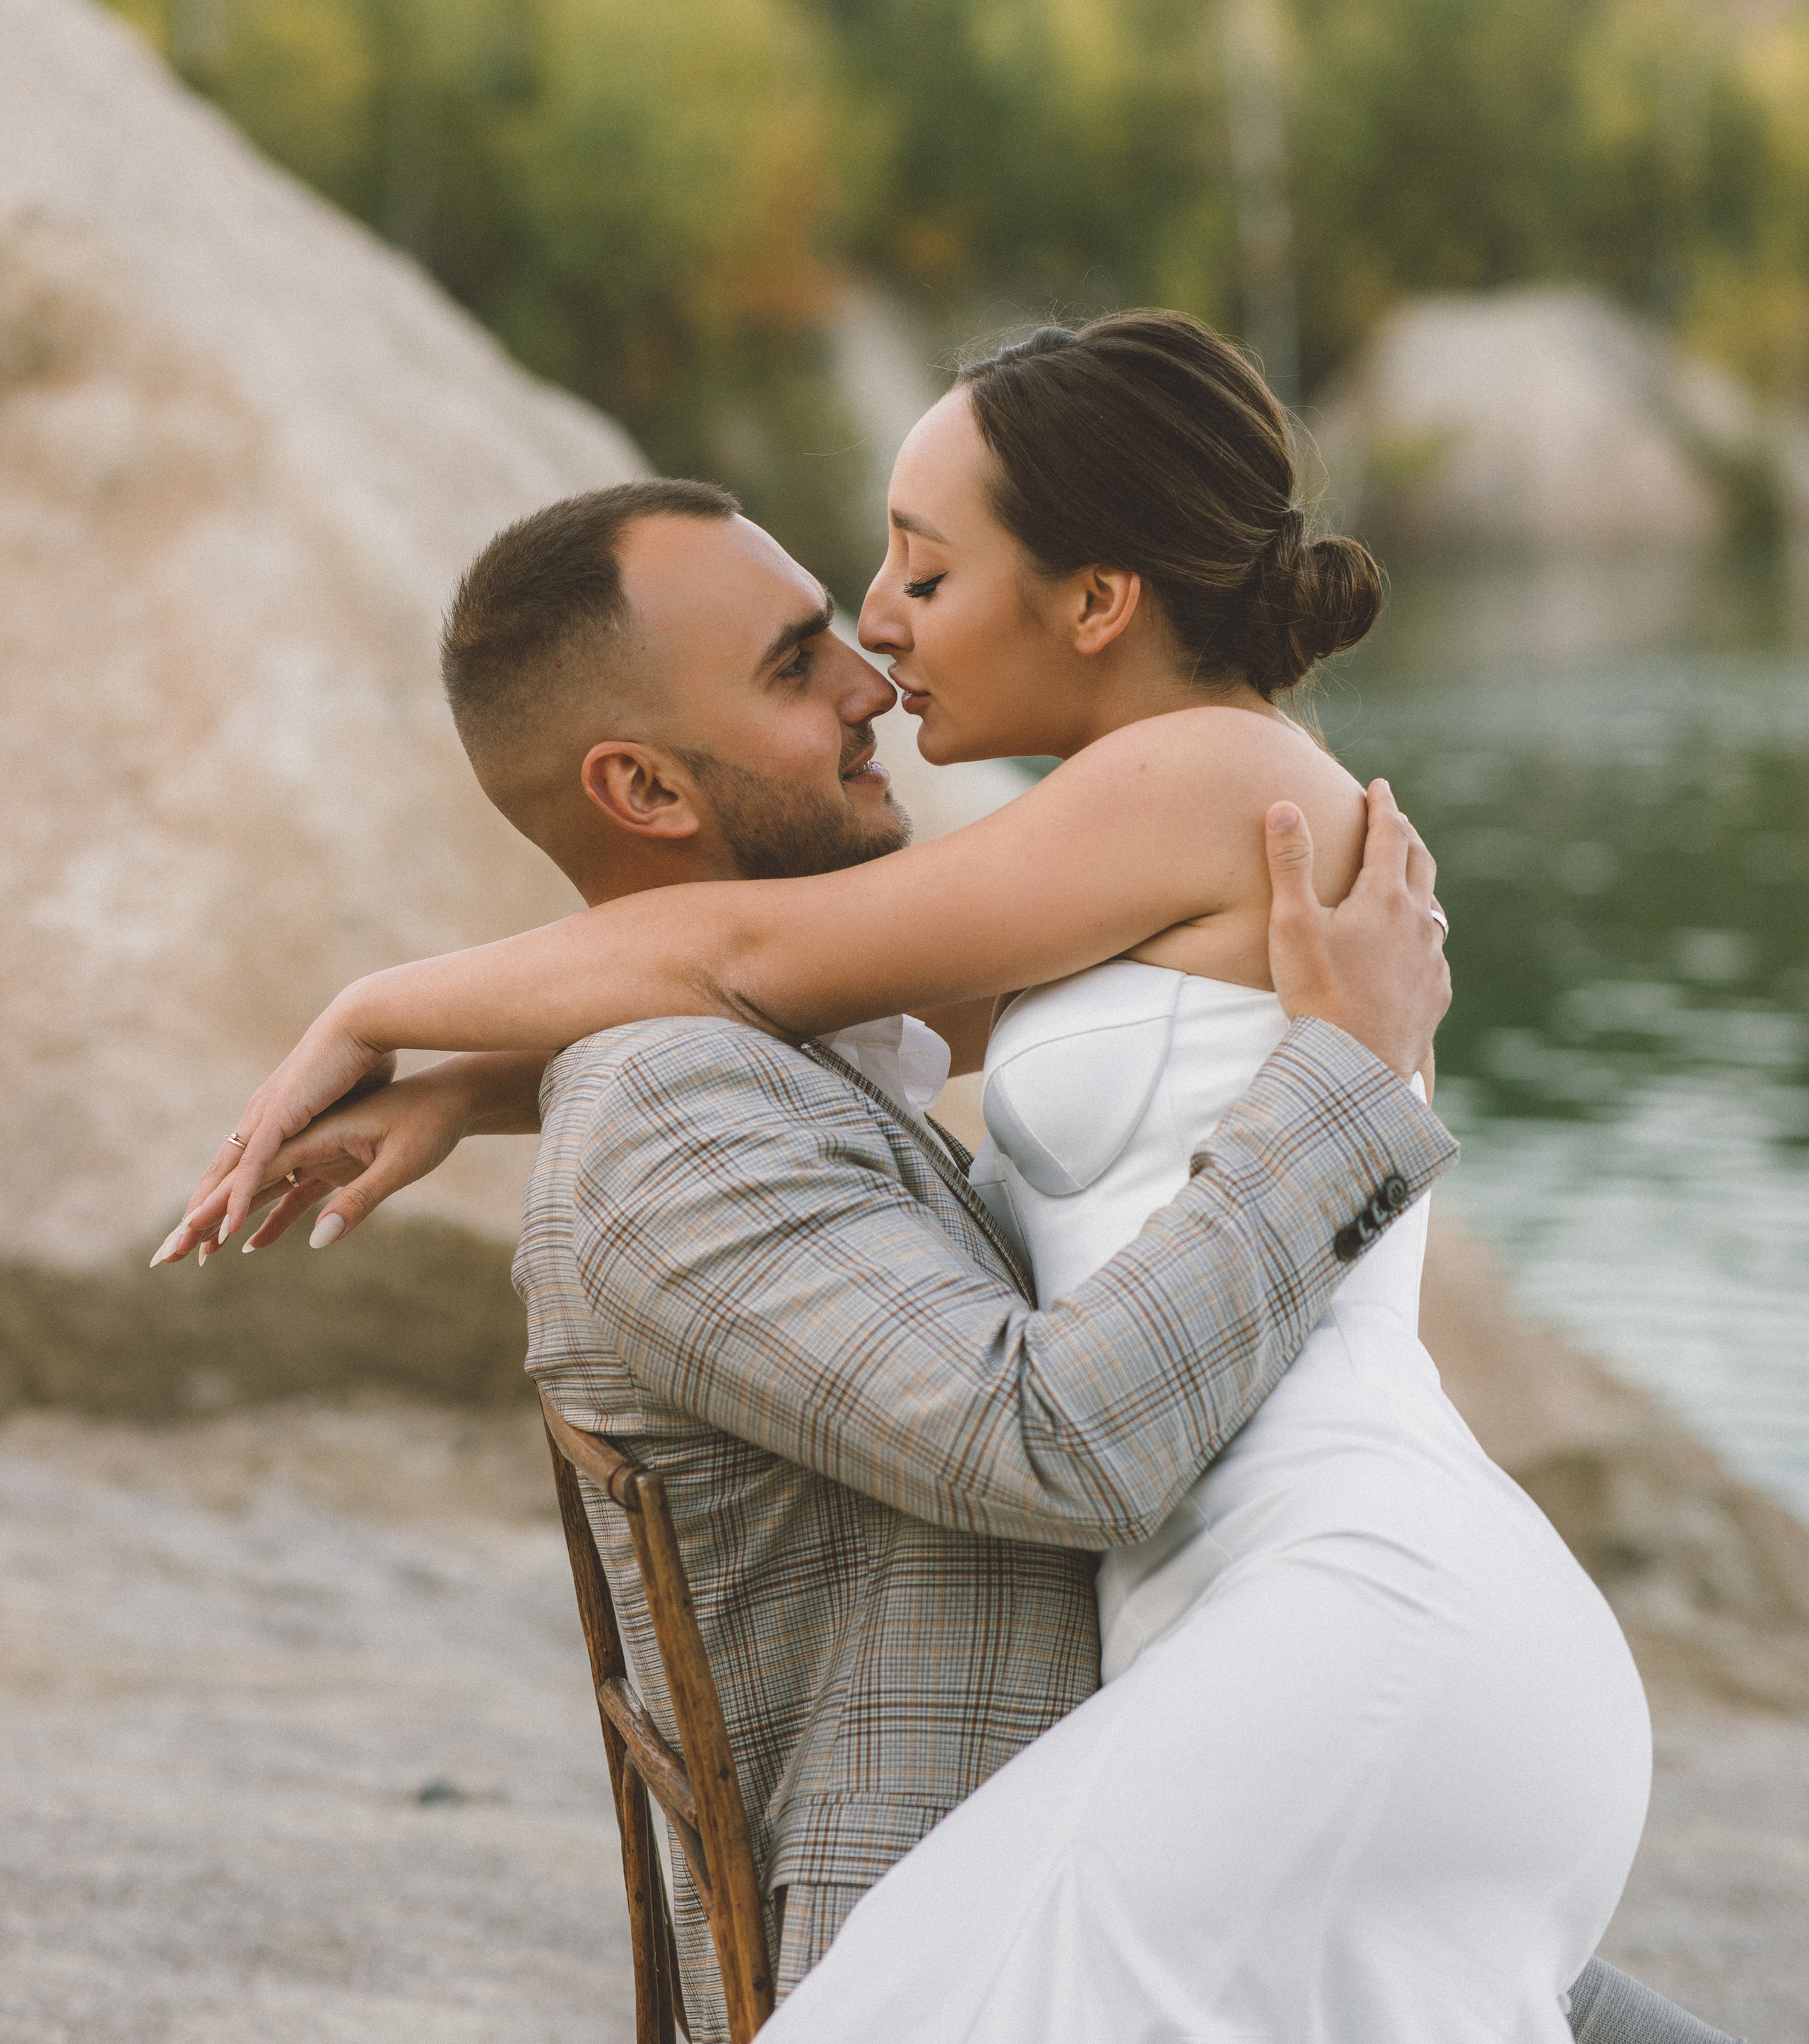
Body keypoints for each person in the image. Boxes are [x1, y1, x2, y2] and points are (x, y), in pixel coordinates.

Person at [164, 317, 1728, 2044]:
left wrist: (373, 1002)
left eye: (917, 569)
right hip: (1270, 1609)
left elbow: (758, 948)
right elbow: (833, 1022)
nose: (876, 637)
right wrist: (469, 1089)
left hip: (1347, 1596)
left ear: (1092, 600)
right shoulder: (1119, 846)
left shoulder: (1204, 780)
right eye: (840, 612)